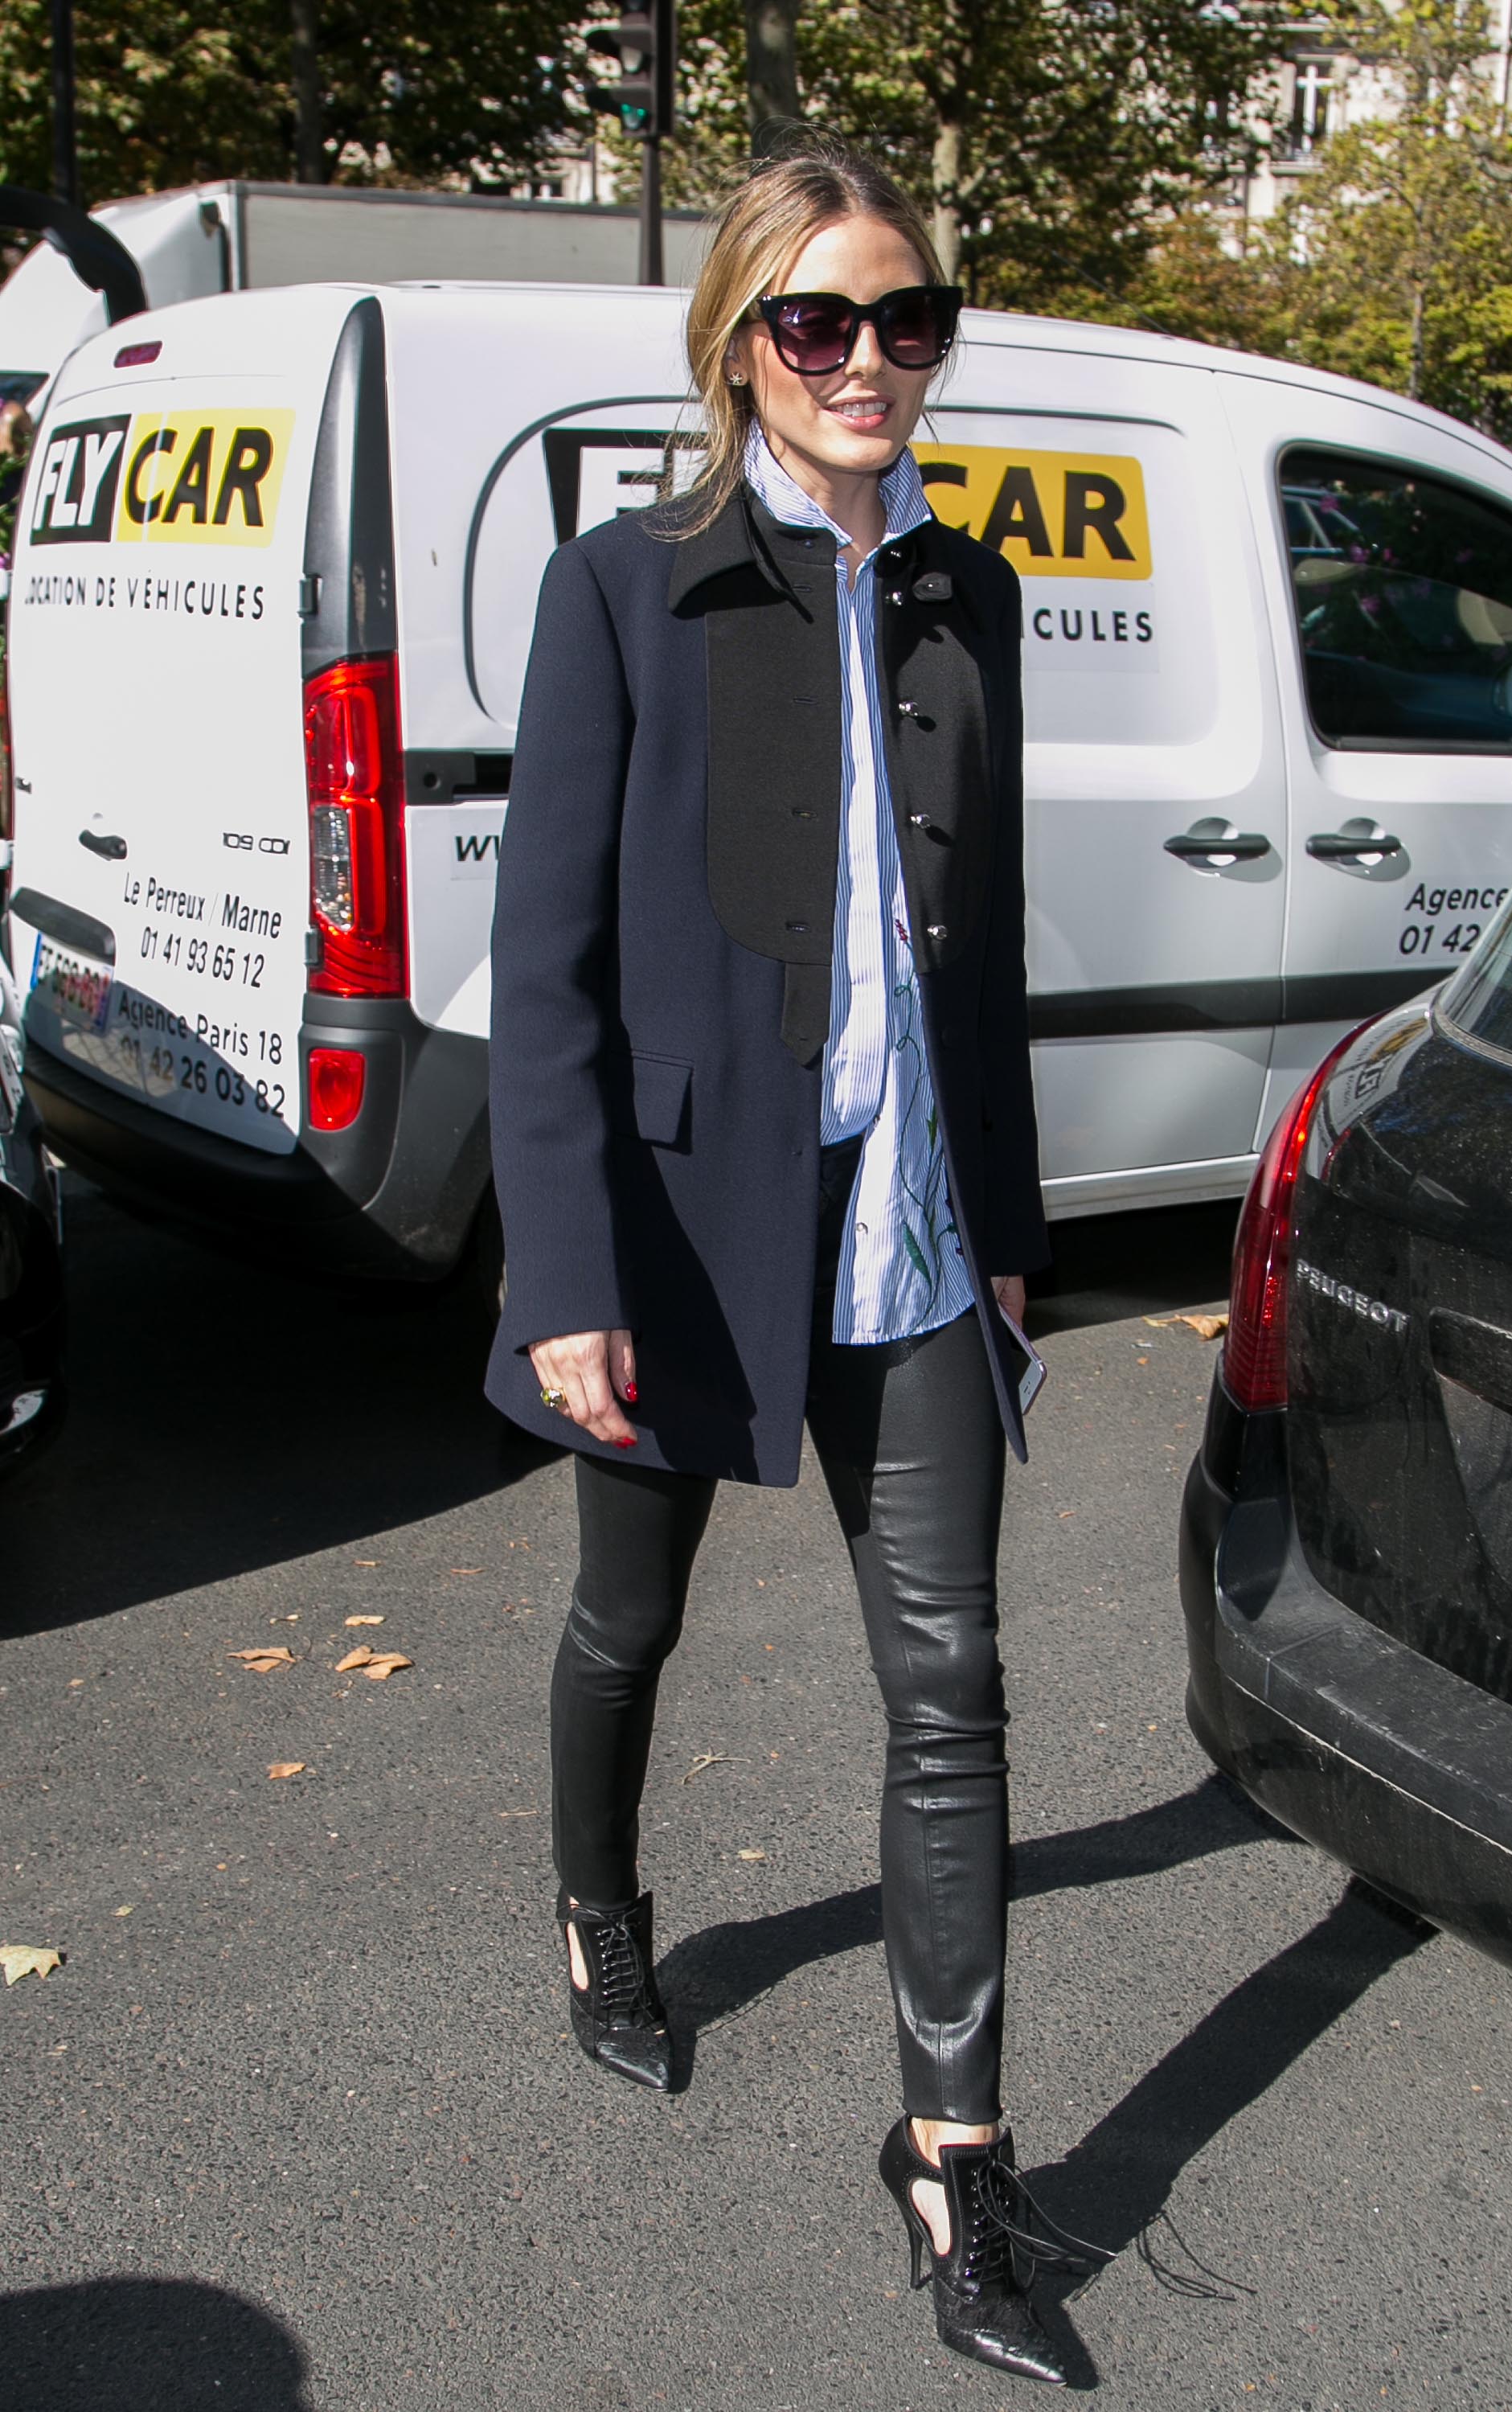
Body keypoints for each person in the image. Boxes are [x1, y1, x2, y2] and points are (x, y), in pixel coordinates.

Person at [487, 136, 1087, 2386]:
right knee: (621, 1618)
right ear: (741, 342)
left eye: (904, 318)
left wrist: (1011, 1236)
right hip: (676, 1226)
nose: (867, 360)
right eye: (818, 321)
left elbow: (983, 952)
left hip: (909, 1228)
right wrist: (565, 1272)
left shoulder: (969, 592)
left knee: (954, 1689)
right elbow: (542, 971)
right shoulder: (627, 588)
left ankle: (952, 2153)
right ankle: (600, 1915)